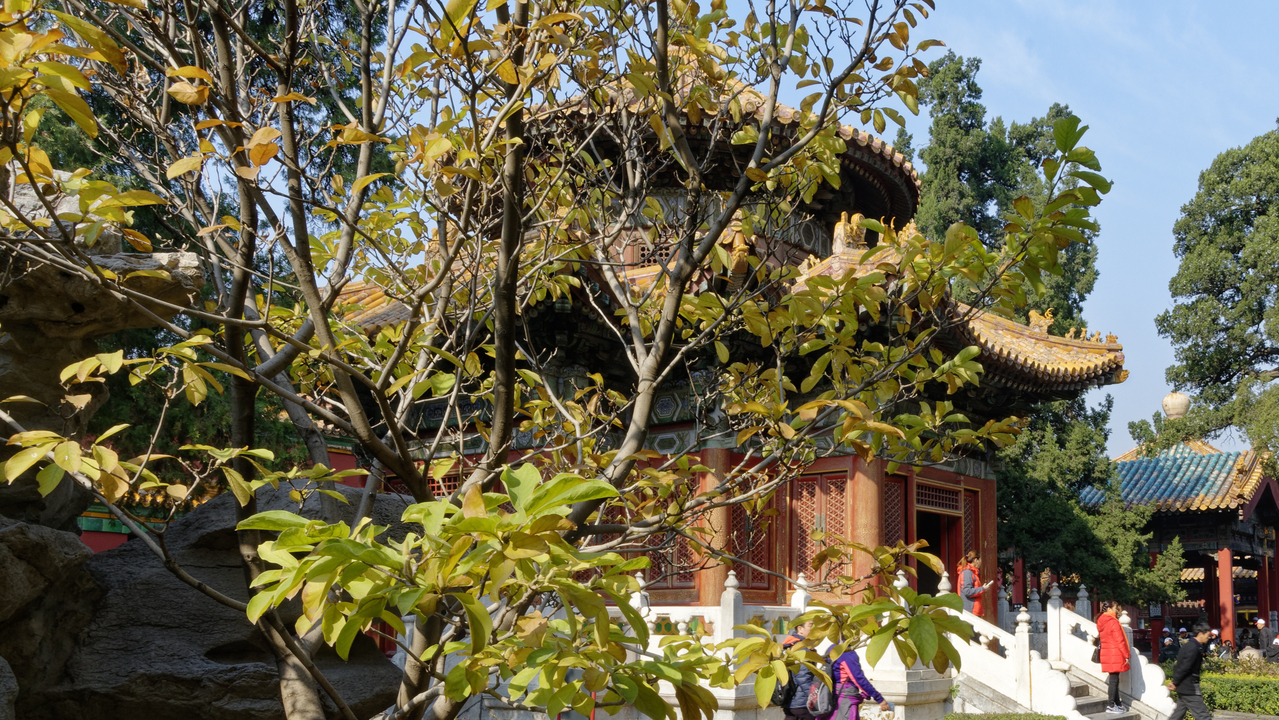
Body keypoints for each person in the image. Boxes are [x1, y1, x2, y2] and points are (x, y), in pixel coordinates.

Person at [1166, 620, 1213, 720]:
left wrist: (1176, 682)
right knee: (1203, 716)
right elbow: (1184, 667)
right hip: (1190, 688)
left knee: (1177, 716)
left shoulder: (1191, 645)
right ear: (1200, 634)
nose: (1209, 637)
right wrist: (1175, 682)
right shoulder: (1193, 647)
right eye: (1208, 635)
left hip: (1184, 687)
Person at [830, 647, 890, 720]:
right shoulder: (847, 653)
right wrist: (879, 698)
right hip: (844, 701)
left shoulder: (831, 649)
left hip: (830, 699)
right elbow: (858, 679)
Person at [1097, 600, 1131, 714]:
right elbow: (1120, 640)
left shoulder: (1102, 621)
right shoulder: (1113, 622)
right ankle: (1111, 705)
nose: (1117, 610)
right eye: (1116, 607)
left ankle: (1118, 704)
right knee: (1114, 681)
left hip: (1107, 653)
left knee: (1114, 680)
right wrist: (1126, 655)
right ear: (1109, 609)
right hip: (1115, 653)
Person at [784, 621, 816, 720]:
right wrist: (813, 699)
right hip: (802, 703)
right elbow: (803, 678)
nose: (814, 628)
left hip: (790, 701)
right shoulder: (801, 649)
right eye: (811, 625)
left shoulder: (789, 645)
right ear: (800, 629)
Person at [958, 551, 994, 616]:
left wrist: (983, 589)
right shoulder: (967, 573)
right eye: (980, 560)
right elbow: (967, 591)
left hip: (973, 610)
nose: (981, 562)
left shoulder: (972, 573)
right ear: (976, 560)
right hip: (970, 611)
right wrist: (982, 588)